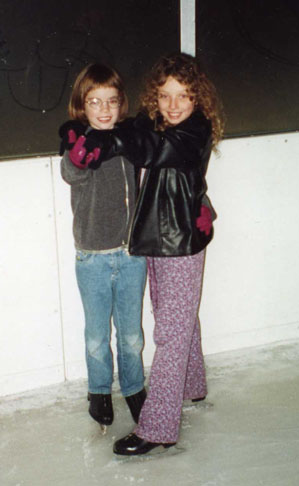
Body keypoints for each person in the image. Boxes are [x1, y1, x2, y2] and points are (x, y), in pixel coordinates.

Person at [66, 52, 224, 453]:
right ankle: (193, 385)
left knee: (169, 332)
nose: (174, 105)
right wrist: (90, 130)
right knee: (179, 316)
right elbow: (137, 131)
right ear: (155, 96)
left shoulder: (193, 130)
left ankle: (157, 428)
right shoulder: (156, 121)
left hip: (178, 243)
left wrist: (107, 139)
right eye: (165, 95)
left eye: (183, 96)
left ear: (197, 100)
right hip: (154, 239)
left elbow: (155, 151)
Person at [59, 63, 147, 430]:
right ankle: (99, 390)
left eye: (111, 101)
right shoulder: (77, 141)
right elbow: (70, 172)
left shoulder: (127, 139)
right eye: (95, 102)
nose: (104, 109)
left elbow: (147, 156)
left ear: (120, 102)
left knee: (131, 334)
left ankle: (134, 388)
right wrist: (80, 153)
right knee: (97, 334)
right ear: (82, 105)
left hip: (131, 254)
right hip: (92, 256)